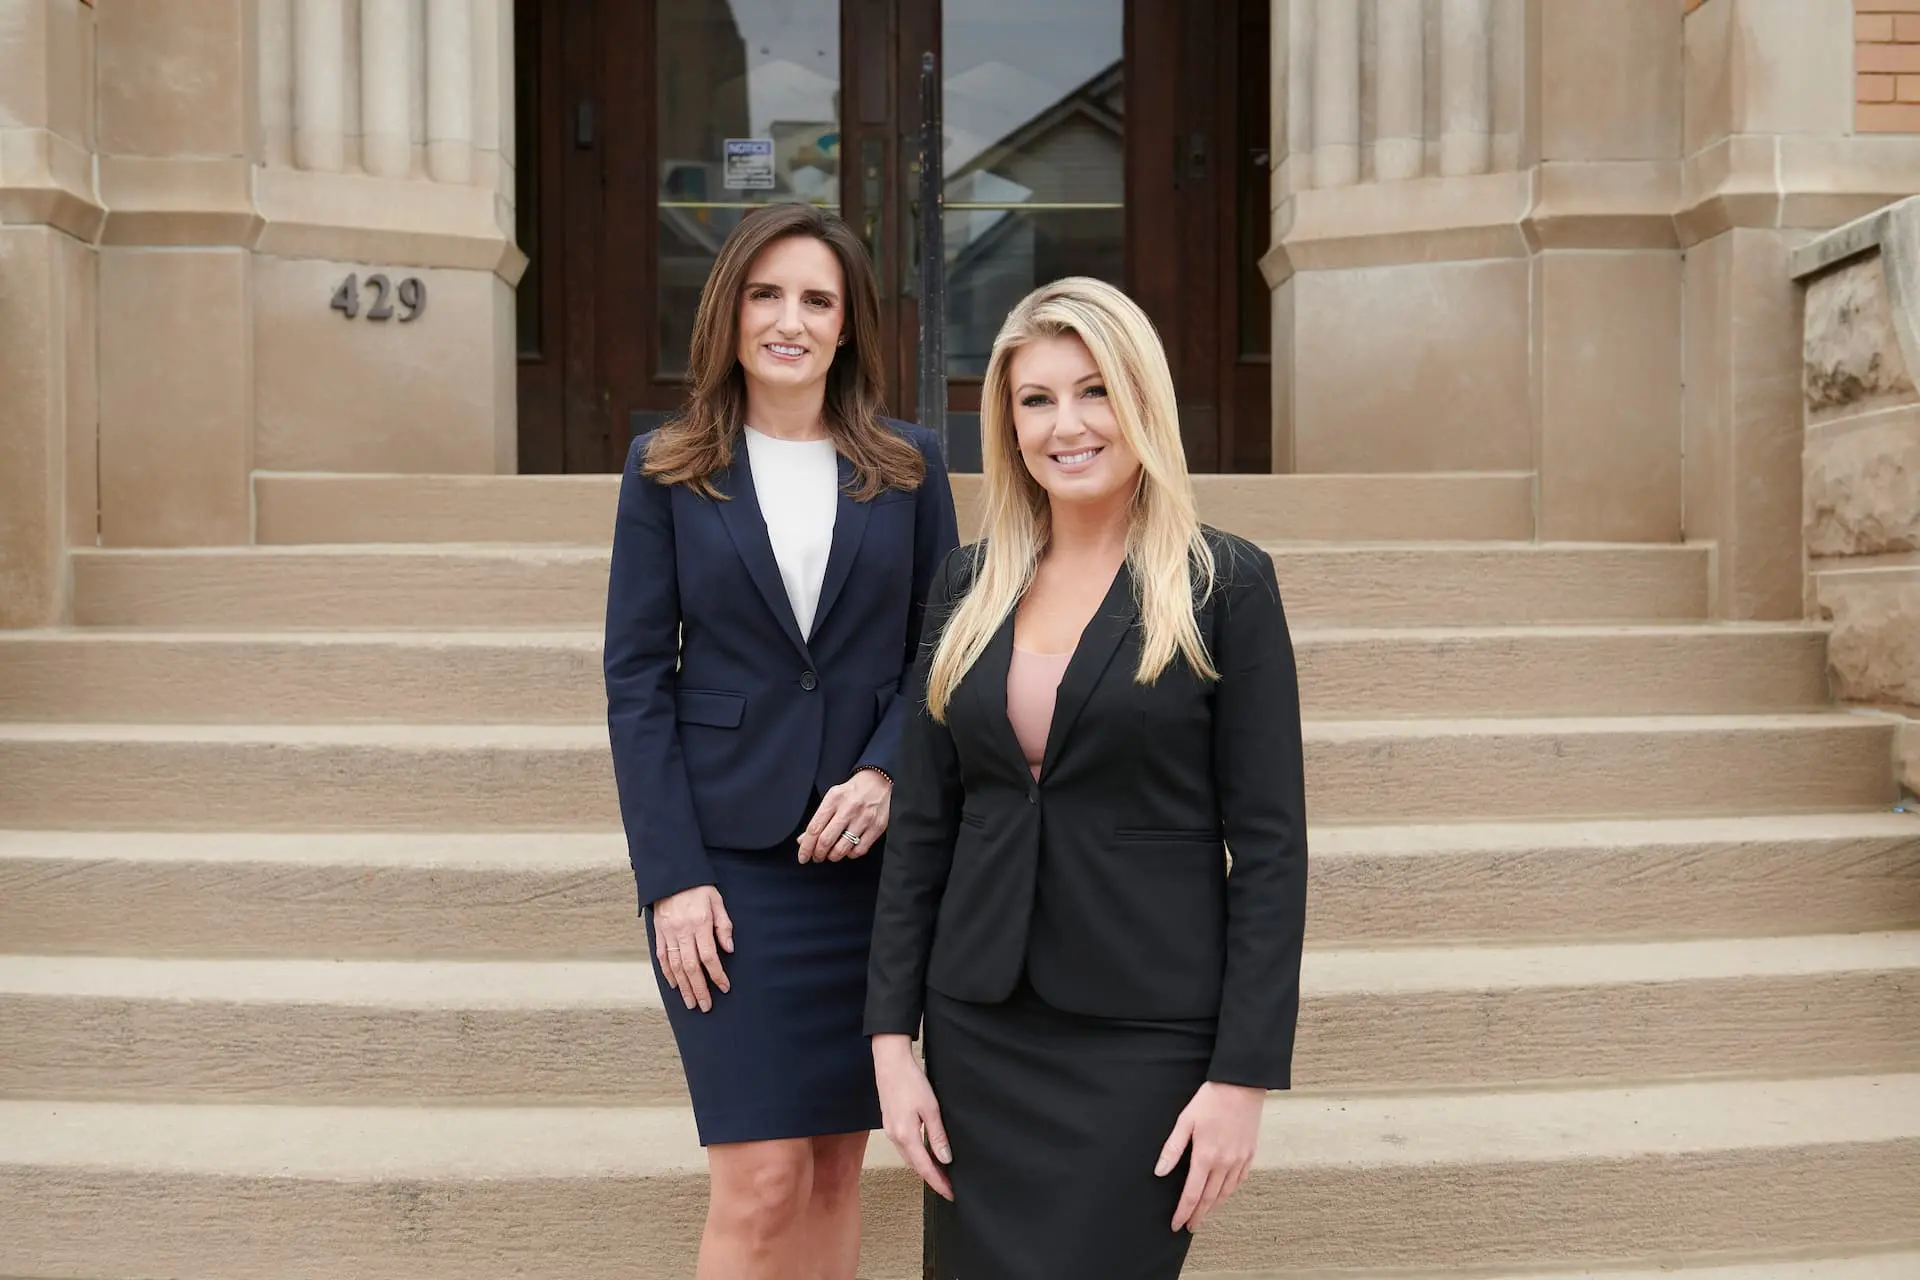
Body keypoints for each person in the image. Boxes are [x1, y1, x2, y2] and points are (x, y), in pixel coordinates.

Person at [864, 277, 1308, 1278]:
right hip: (981, 1028)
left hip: (1144, 1036)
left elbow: (1272, 848)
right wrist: (893, 1040)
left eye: (1094, 390)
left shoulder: (1224, 585)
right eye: (1036, 399)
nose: (1066, 424)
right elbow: (925, 826)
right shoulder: (968, 583)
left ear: (1141, 400)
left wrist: (1241, 1075)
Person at [604, 201, 959, 1280]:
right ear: (731, 311)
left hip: (867, 871)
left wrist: (889, 768)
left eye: (817, 299)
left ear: (848, 325)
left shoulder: (910, 464)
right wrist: (672, 877)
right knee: (758, 1177)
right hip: (727, 873)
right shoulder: (666, 467)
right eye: (767, 295)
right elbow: (635, 681)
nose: (789, 320)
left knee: (835, 1170)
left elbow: (940, 646)